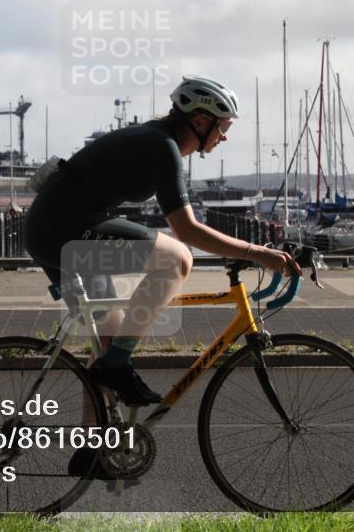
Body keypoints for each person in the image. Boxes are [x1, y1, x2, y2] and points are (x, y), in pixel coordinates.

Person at [24, 76, 301, 408]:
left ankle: (94, 448)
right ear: (200, 120)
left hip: (49, 228)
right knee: (178, 259)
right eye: (223, 127)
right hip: (61, 227)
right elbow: (187, 230)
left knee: (106, 342)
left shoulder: (156, 139)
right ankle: (118, 364)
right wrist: (258, 252)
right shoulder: (162, 146)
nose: (224, 137)